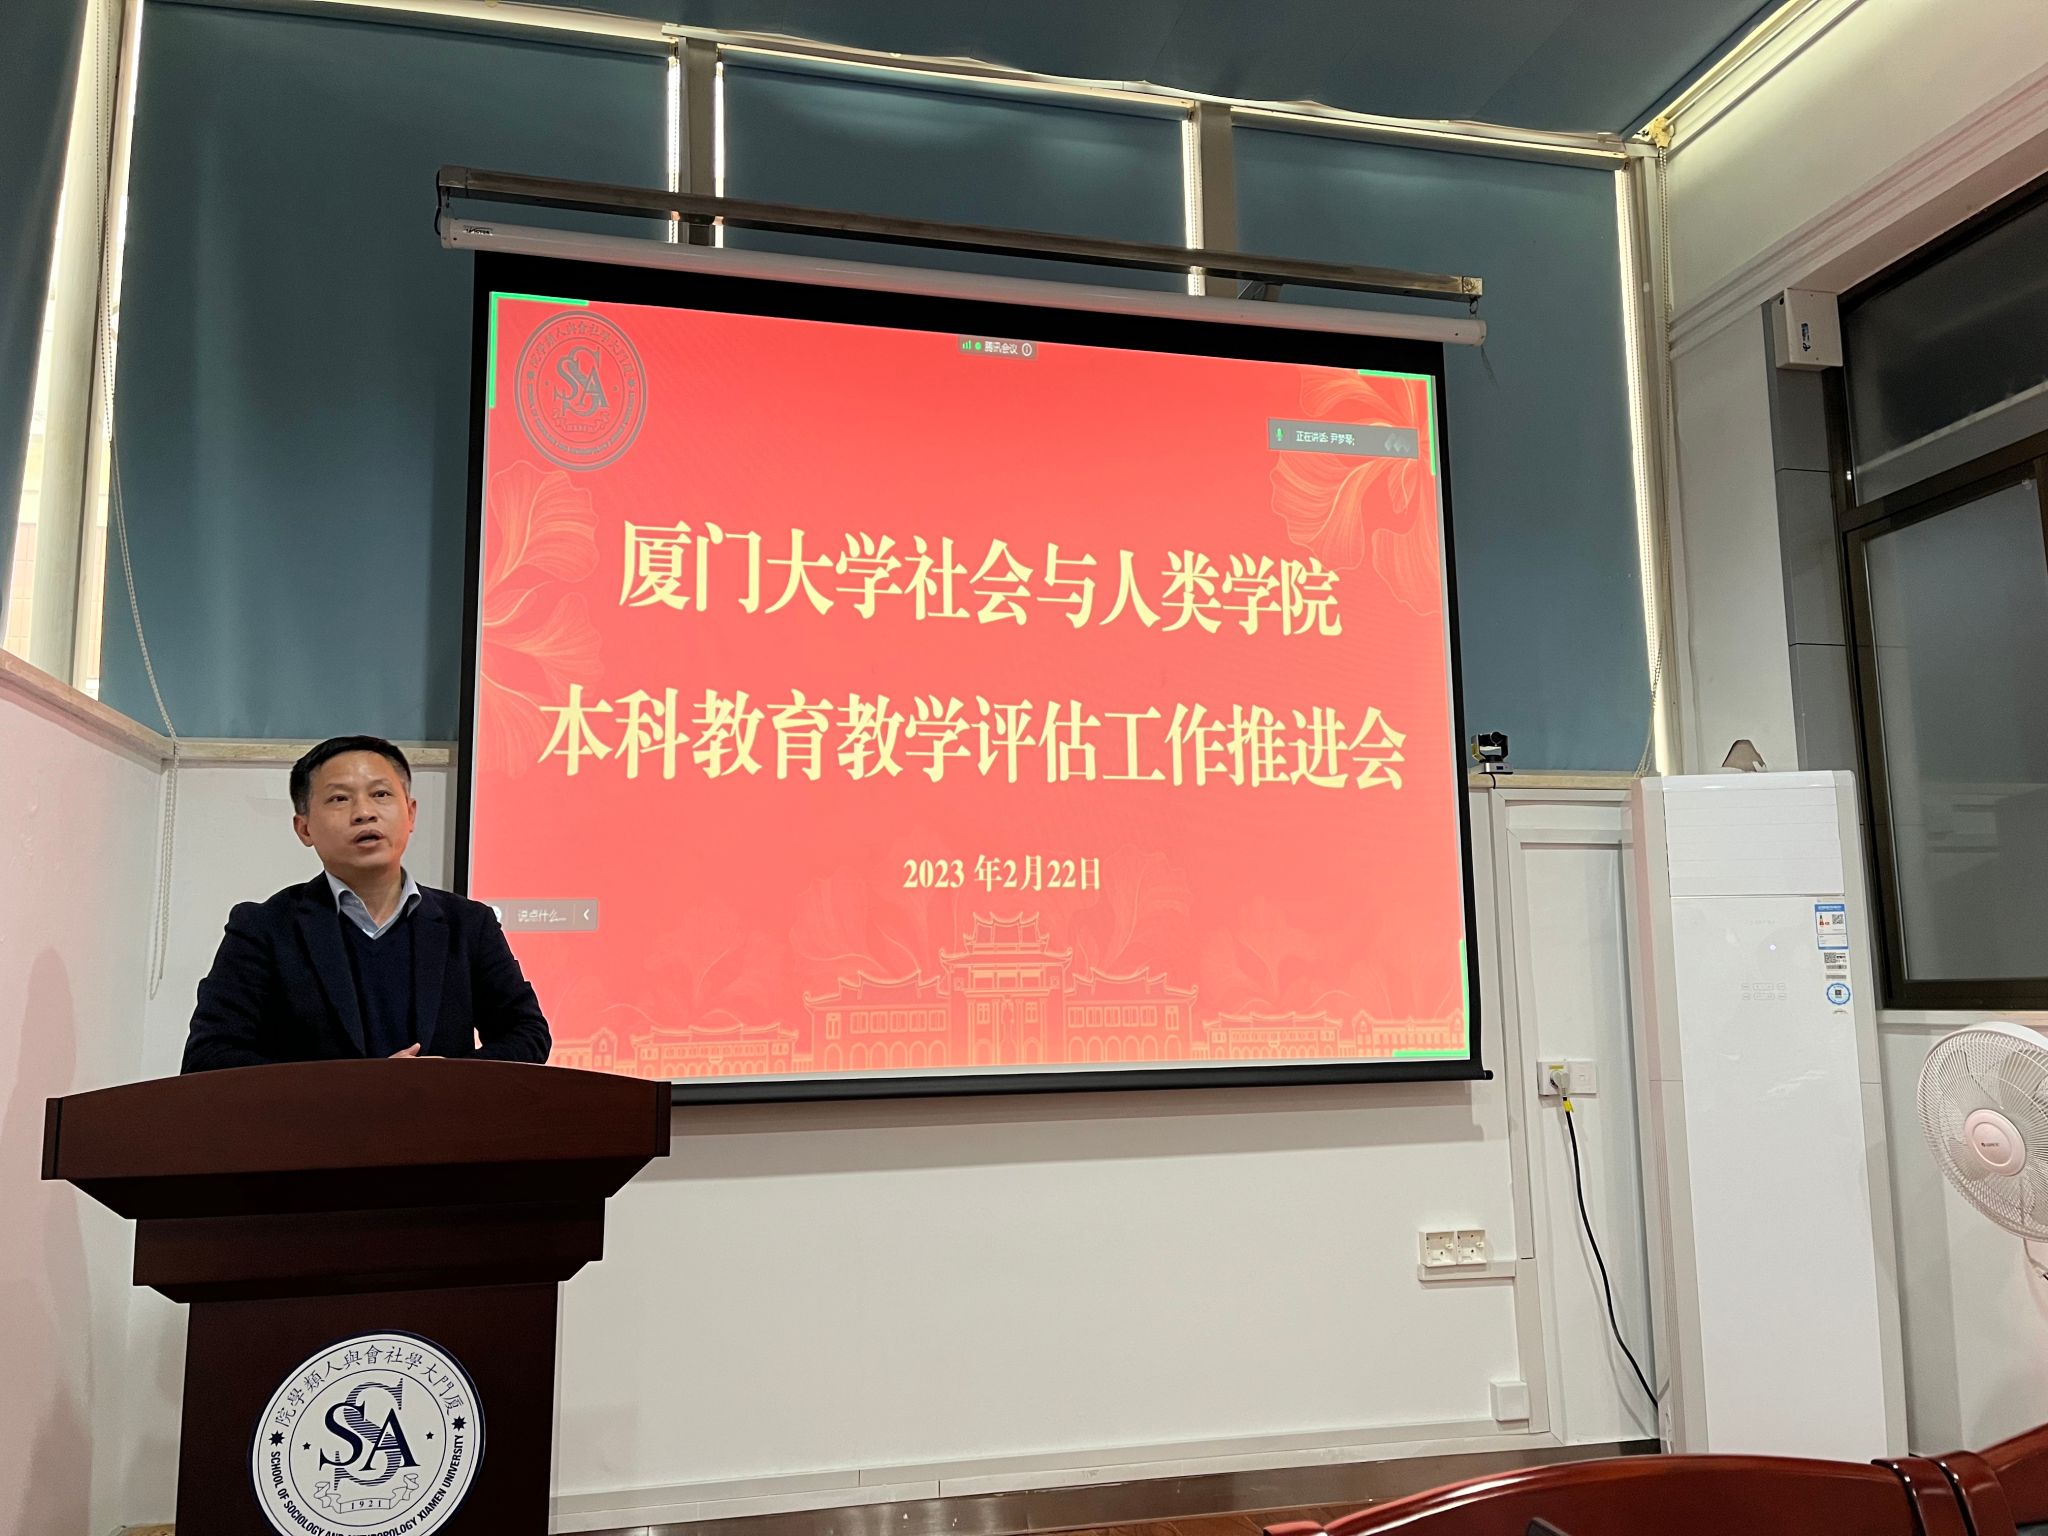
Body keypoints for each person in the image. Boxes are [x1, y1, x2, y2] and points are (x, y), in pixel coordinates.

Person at [180, 734, 551, 1071]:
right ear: (304, 828)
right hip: (319, 1125)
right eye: (339, 798)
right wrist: (357, 1089)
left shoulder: (468, 924)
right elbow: (209, 1054)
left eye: (381, 794)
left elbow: (527, 1032)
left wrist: (448, 1078)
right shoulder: (264, 928)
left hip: (441, 1121)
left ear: (411, 813)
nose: (364, 812)